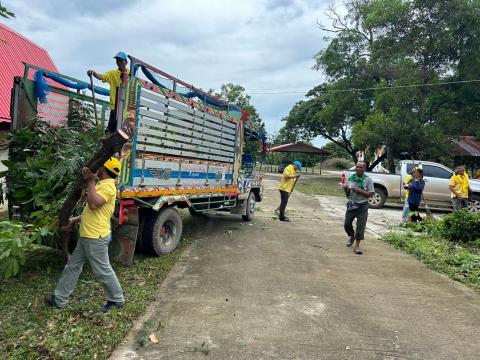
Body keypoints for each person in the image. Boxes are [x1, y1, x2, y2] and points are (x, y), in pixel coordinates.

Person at [44, 157, 125, 313]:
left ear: (104, 169)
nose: (98, 168)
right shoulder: (103, 184)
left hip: (96, 237)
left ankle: (116, 299)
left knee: (103, 270)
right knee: (72, 267)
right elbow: (94, 211)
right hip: (88, 235)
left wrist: (90, 180)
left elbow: (93, 204)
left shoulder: (108, 187)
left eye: (100, 166)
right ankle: (59, 299)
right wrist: (74, 219)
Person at [87, 52, 129, 133]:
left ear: (126, 62)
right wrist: (93, 73)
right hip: (115, 107)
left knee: (124, 130)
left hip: (126, 108)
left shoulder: (131, 74)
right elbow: (102, 76)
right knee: (111, 129)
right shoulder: (112, 74)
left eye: (120, 60)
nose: (118, 63)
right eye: (117, 61)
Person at [343, 162, 374, 254]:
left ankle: (357, 246)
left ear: (364, 169)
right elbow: (348, 195)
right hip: (352, 204)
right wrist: (346, 189)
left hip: (363, 205)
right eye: (357, 167)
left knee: (360, 226)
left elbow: (371, 194)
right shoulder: (351, 178)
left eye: (360, 167)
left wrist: (360, 191)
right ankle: (352, 236)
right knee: (347, 223)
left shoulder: (368, 179)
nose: (358, 168)